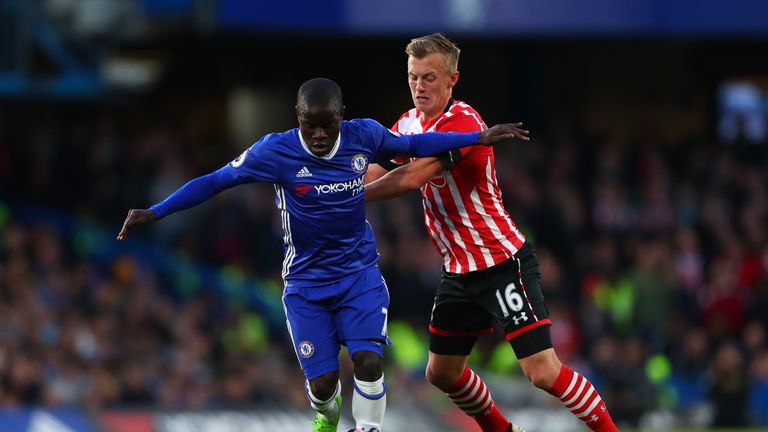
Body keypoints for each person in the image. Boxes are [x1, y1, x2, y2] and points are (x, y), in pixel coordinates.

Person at [117, 77, 529, 432]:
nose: (318, 135)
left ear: (341, 116)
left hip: (358, 274)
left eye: (327, 125)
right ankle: (326, 416)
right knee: (323, 385)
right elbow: (215, 181)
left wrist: (476, 137)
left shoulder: (363, 136)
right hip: (305, 285)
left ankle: (368, 427)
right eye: (309, 125)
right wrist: (157, 211)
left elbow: (414, 143)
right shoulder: (274, 151)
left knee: (368, 360)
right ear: (297, 116)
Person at [365, 34, 620, 432]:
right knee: (442, 373)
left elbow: (411, 177)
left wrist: (350, 195)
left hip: (501, 263)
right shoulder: (408, 123)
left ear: (452, 79)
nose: (419, 86)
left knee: (542, 371)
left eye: (429, 77)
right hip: (458, 272)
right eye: (413, 77)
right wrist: (330, 187)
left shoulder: (464, 124)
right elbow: (377, 169)